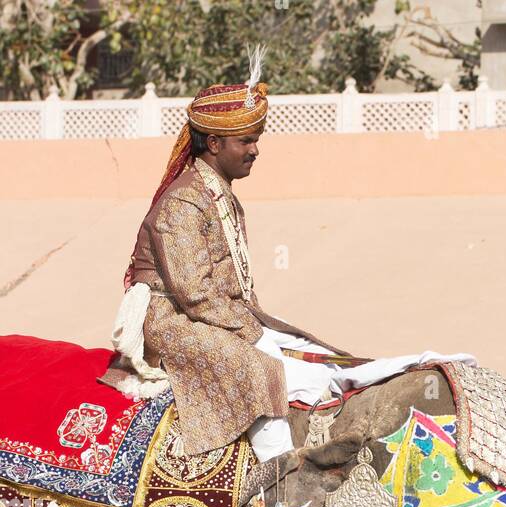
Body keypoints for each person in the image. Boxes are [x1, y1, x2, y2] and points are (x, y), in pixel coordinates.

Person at [105, 52, 474, 460]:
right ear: (213, 143)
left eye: (255, 140)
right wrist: (253, 335)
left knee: (314, 354)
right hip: (172, 321)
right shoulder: (183, 204)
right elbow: (193, 293)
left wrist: (258, 329)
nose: (255, 150)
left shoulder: (216, 191)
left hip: (218, 314)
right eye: (246, 141)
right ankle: (277, 479)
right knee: (263, 373)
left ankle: (406, 366)